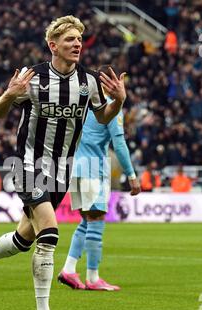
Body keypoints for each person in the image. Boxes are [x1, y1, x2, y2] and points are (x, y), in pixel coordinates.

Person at [0, 15, 127, 310]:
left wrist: (119, 101)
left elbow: (101, 116)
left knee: (24, 239)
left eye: (79, 39)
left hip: (61, 172)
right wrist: (10, 95)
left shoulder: (89, 82)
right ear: (53, 45)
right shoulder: (34, 77)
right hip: (28, 165)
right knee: (50, 233)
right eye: (70, 40)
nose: (77, 44)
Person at [58, 71, 141, 291]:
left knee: (86, 221)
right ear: (110, 82)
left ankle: (68, 269)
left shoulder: (81, 103)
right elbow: (120, 144)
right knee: (96, 222)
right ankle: (93, 278)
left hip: (75, 167)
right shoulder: (110, 107)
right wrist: (131, 175)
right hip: (93, 169)